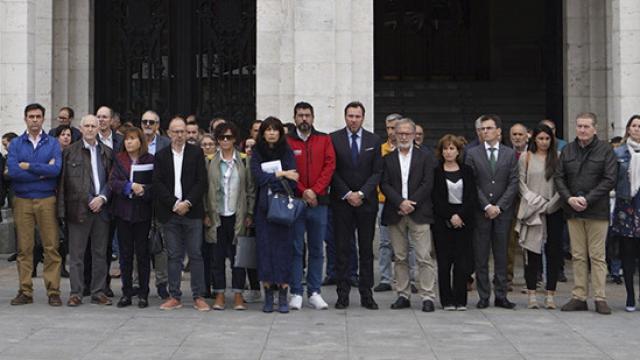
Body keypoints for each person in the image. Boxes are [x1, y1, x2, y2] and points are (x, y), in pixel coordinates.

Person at [555, 112, 617, 315]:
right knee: (578, 255)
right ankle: (579, 296)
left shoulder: (605, 150)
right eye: (579, 126)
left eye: (586, 126)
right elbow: (559, 177)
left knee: (598, 256)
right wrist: (569, 198)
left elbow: (609, 179)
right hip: (573, 210)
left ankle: (600, 297)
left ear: (595, 128)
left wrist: (587, 199)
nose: (582, 130)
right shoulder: (568, 150)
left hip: (596, 211)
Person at [7, 103, 63, 306]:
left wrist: (29, 166)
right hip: (22, 200)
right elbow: (13, 172)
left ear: (43, 119)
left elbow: (56, 170)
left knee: (51, 246)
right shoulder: (15, 144)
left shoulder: (53, 143)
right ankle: (25, 290)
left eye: (38, 116)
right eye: (31, 116)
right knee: (24, 248)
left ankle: (53, 291)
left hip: (47, 199)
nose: (34, 120)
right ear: (25, 119)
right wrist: (41, 171)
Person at [153, 116, 210, 311]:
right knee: (174, 256)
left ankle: (198, 296)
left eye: (182, 131)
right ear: (168, 134)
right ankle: (174, 296)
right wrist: (175, 203)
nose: (179, 135)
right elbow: (158, 183)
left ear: (187, 133)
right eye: (175, 131)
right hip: (170, 213)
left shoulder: (196, 153)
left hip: (192, 212)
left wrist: (187, 202)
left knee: (195, 254)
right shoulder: (160, 156)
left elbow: (201, 182)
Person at [380, 118, 437, 312]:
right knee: (400, 257)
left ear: (414, 135)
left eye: (407, 133)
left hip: (419, 212)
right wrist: (400, 202)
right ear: (394, 134)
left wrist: (412, 203)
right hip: (396, 211)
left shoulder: (426, 156)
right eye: (400, 133)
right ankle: (402, 295)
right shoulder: (387, 158)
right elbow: (384, 184)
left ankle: (427, 296)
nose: (403, 136)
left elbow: (429, 182)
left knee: (423, 256)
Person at [330, 101, 382, 310]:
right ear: (345, 117)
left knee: (366, 250)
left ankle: (366, 293)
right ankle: (342, 294)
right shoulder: (333, 139)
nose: (353, 119)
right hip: (342, 202)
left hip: (366, 202)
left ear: (363, 117)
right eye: (350, 116)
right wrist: (347, 193)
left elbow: (377, 171)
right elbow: (331, 169)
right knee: (342, 249)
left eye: (357, 116)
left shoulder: (374, 139)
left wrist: (361, 193)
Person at [464, 114, 518, 309]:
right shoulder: (472, 153)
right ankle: (484, 295)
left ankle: (501, 295)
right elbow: (472, 183)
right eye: (482, 128)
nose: (485, 132)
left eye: (489, 128)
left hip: (503, 213)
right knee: (481, 255)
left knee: (502, 255)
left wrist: (500, 206)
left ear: (498, 131)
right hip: (481, 212)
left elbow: (513, 182)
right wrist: (486, 205)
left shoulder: (509, 153)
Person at [59, 114, 113, 306]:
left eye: (93, 126)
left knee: (100, 253)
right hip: (78, 209)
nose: (90, 129)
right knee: (77, 255)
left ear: (99, 129)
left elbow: (112, 179)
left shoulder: (107, 152)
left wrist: (102, 198)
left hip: (102, 209)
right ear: (80, 129)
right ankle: (76, 292)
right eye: (86, 126)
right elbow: (67, 183)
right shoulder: (70, 152)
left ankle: (98, 291)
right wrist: (89, 199)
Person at [286, 101, 336, 310]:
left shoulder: (324, 139)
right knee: (296, 248)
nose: (304, 119)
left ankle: (314, 291)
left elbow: (329, 165)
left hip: (319, 202)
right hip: (296, 202)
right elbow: (286, 169)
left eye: (307, 115)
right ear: (295, 117)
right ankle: (296, 291)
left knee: (317, 248)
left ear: (313, 117)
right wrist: (303, 190)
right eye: (300, 115)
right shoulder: (287, 141)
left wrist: (314, 191)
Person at [203, 123, 255, 311]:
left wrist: (249, 213)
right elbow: (204, 190)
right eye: (222, 137)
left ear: (235, 139)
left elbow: (250, 189)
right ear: (217, 140)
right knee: (217, 257)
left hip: (237, 215)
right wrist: (206, 213)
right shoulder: (209, 161)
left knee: (238, 258)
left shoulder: (244, 160)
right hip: (217, 215)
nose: (225, 141)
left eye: (229, 137)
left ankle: (238, 294)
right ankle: (219, 294)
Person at [250, 116, 298, 313]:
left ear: (280, 132)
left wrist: (279, 178)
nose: (271, 133)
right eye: (267, 129)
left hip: (282, 208)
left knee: (283, 250)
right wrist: (280, 174)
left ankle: (283, 293)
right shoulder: (257, 151)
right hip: (263, 209)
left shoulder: (286, 151)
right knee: (265, 250)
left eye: (274, 129)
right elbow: (258, 177)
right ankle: (268, 292)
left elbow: (293, 180)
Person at [515, 125, 563, 309]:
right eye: (540, 138)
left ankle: (550, 294)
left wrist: (550, 205)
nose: (543, 142)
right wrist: (533, 201)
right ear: (534, 139)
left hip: (553, 210)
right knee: (532, 251)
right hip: (532, 209)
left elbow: (562, 184)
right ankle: (532, 294)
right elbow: (521, 182)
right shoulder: (526, 157)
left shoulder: (558, 157)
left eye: (547, 139)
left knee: (553, 252)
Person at [108, 127, 154, 308]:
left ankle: (143, 293)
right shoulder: (119, 159)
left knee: (142, 254)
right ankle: (126, 292)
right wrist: (129, 186)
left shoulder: (150, 160)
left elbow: (155, 183)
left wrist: (144, 190)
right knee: (125, 255)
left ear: (140, 142)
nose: (129, 142)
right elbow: (113, 181)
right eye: (127, 139)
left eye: (133, 139)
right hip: (123, 212)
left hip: (142, 213)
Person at [432, 134, 477, 311]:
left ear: (458, 151)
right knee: (444, 262)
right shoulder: (436, 171)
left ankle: (460, 299)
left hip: (464, 221)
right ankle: (447, 300)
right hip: (443, 222)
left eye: (452, 148)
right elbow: (436, 198)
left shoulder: (467, 171)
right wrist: (450, 216)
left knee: (462, 262)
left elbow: (471, 196)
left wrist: (460, 216)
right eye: (445, 149)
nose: (448, 152)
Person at [610, 115, 640, 312]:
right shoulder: (618, 152)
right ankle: (630, 296)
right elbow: (611, 179)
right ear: (628, 129)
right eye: (634, 126)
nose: (637, 129)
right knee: (627, 255)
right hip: (626, 208)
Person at [140, 110, 170, 298]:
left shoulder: (166, 144)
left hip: (160, 200)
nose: (148, 125)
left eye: (152, 122)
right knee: (139, 244)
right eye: (145, 122)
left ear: (158, 125)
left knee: (161, 245)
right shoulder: (134, 142)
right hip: (139, 198)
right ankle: (138, 283)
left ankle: (162, 283)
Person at [374, 113, 400, 293]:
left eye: (395, 128)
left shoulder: (410, 149)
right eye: (389, 128)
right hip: (383, 201)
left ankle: (410, 278)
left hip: (405, 202)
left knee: (410, 243)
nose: (391, 132)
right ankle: (385, 278)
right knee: (384, 242)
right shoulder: (380, 149)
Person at [54, 125, 73, 278]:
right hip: (53, 197)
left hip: (68, 198)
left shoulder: (73, 153)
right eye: (63, 134)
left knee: (64, 236)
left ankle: (62, 265)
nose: (66, 137)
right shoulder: (52, 154)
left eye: (68, 134)